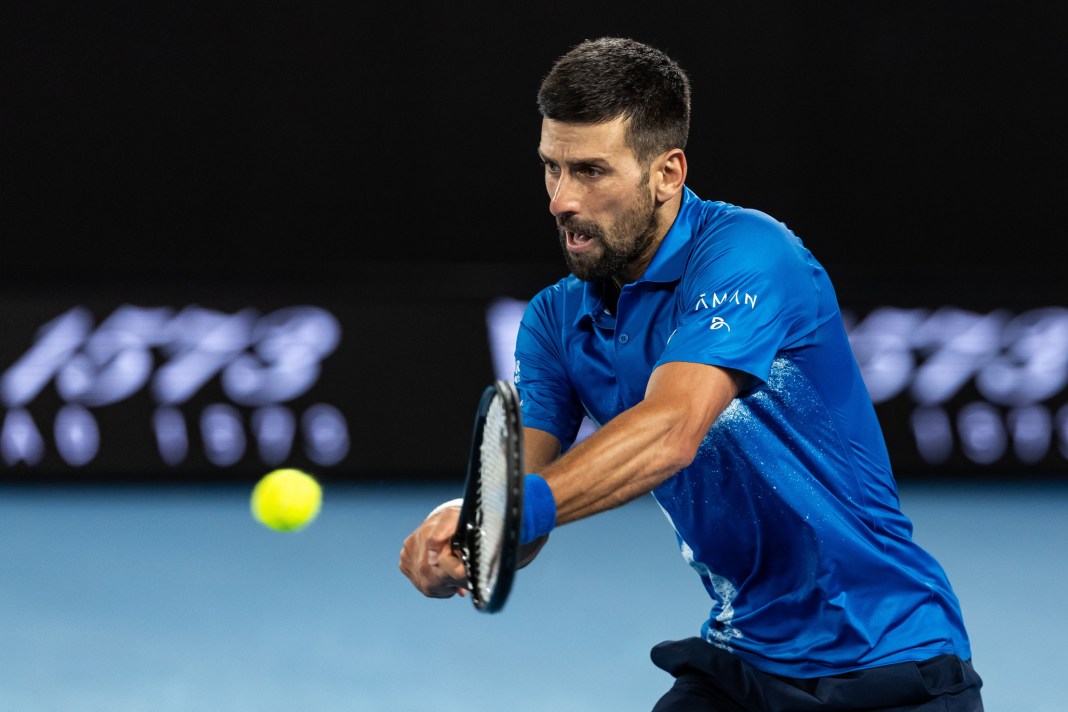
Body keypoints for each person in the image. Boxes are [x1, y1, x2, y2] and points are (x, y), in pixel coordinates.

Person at [399, 36, 984, 711]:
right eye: (551, 168)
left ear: (667, 174)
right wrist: (472, 540)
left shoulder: (750, 253)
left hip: (892, 661)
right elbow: (526, 507)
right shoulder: (555, 322)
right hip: (741, 665)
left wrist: (504, 514)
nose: (561, 200)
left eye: (590, 171)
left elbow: (672, 430)